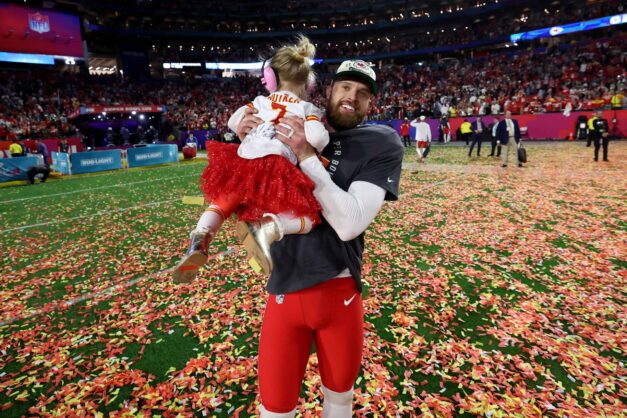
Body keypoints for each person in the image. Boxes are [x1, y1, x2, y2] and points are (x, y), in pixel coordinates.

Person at [236, 59, 403, 417]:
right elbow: (252, 199)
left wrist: (306, 156)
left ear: (371, 103)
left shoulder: (379, 141)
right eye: (345, 87)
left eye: (363, 93)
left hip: (339, 291)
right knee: (274, 409)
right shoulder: (287, 123)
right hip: (285, 286)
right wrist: (252, 138)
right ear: (329, 90)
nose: (351, 97)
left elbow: (349, 223)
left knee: (340, 399)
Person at [172, 36, 328, 282]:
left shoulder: (260, 101)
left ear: (272, 78)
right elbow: (318, 139)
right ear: (307, 82)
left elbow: (234, 121)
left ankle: (200, 240)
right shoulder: (307, 108)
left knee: (222, 203)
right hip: (275, 164)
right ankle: (267, 227)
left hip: (243, 160)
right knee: (309, 217)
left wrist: (246, 128)